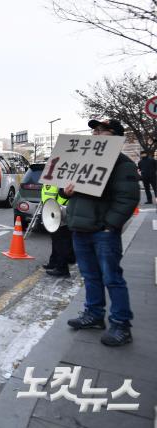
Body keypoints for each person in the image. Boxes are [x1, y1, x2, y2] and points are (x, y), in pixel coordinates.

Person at [64, 119, 140, 347]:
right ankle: (94, 315)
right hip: (80, 228)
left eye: (101, 130)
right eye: (94, 130)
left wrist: (110, 225)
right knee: (90, 276)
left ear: (115, 136)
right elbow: (65, 189)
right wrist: (65, 191)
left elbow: (128, 198)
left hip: (103, 231)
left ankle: (121, 324)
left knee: (112, 279)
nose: (95, 134)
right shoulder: (81, 161)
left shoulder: (122, 164)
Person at [41, 184, 75, 277]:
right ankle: (54, 262)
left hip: (61, 211)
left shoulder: (58, 177)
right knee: (56, 240)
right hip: (52, 211)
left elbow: (63, 194)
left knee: (61, 242)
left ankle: (62, 268)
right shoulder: (50, 177)